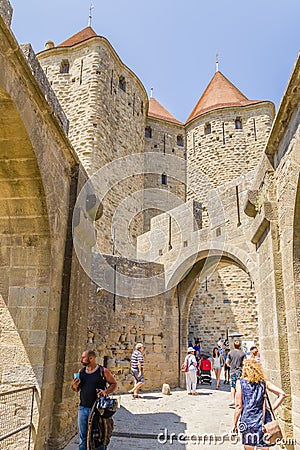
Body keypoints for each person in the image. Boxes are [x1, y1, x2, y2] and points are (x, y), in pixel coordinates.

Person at [232, 359, 286, 449]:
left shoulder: (240, 383)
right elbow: (282, 394)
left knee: (248, 446)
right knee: (264, 446)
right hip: (263, 420)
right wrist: (271, 409)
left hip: (248, 420)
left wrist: (234, 424)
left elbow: (238, 406)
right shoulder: (264, 383)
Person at [72, 349, 117, 450]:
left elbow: (114, 384)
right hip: (83, 408)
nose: (81, 360)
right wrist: (74, 385)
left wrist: (105, 392)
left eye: (83, 358)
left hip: (99, 409)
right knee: (83, 437)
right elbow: (76, 389)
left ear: (91, 358)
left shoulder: (103, 371)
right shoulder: (81, 372)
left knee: (101, 436)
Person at [226, 340, 246, 406]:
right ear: (240, 346)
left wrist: (231, 366)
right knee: (239, 386)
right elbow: (244, 363)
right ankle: (239, 400)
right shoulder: (242, 353)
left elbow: (227, 362)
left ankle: (233, 400)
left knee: (232, 386)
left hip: (232, 371)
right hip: (239, 371)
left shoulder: (230, 353)